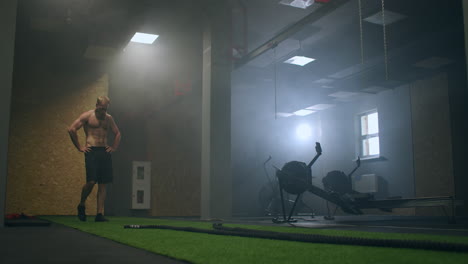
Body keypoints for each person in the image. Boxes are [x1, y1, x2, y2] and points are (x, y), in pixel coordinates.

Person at [68, 96, 121, 222]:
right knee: (91, 182)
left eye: (106, 109)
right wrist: (79, 147)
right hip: (92, 151)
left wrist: (113, 147)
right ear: (97, 105)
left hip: (104, 151)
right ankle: (81, 204)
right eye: (102, 108)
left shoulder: (109, 118)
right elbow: (71, 129)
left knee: (103, 184)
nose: (103, 111)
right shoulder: (87, 116)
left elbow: (118, 133)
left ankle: (99, 214)